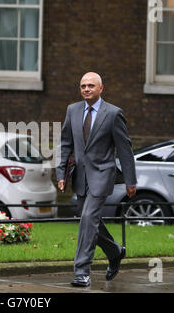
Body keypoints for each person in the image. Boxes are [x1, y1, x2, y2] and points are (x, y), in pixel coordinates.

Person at [56, 72, 137, 287]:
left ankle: (82, 271)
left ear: (101, 88)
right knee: (88, 220)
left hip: (102, 174)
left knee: (89, 218)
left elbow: (124, 149)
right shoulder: (72, 110)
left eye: (91, 85)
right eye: (83, 86)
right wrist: (61, 173)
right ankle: (115, 251)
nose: (86, 89)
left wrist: (131, 180)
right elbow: (65, 143)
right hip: (80, 177)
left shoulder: (113, 113)